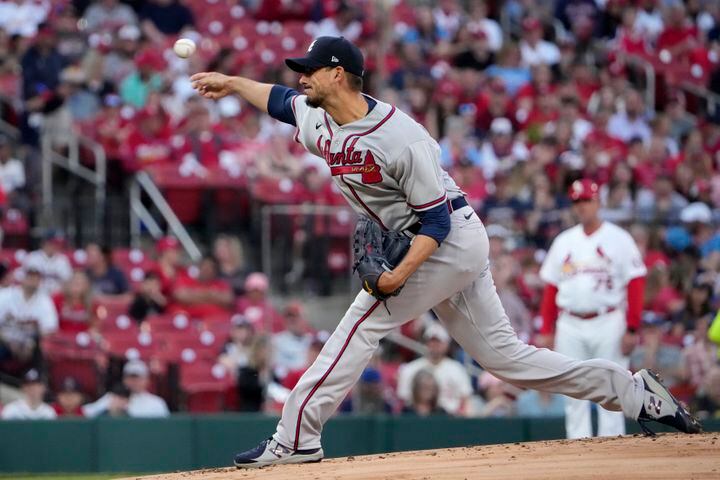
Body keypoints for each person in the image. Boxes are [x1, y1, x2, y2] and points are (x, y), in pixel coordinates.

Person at [190, 36, 700, 469]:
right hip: (432, 238)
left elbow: (434, 221)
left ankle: (296, 438)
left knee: (362, 324)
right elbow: (278, 100)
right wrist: (232, 84)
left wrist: (396, 278)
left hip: (446, 238)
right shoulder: (318, 118)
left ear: (339, 75)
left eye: (310, 71)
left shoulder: (402, 137)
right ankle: (636, 394)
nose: (301, 79)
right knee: (506, 359)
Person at [538, 179, 647, 439]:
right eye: (577, 201)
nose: (582, 206)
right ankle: (579, 448)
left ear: (598, 202)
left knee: (612, 387)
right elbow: (551, 288)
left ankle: (612, 449)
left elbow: (636, 282)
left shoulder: (619, 239)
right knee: (573, 388)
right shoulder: (564, 241)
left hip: (608, 320)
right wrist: (546, 328)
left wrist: (632, 326)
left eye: (586, 200)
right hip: (570, 323)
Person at [396, 323, 473, 416]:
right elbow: (403, 400)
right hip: (417, 418)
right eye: (432, 341)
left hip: (451, 420)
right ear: (426, 343)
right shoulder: (410, 368)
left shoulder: (457, 369)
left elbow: (466, 401)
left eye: (438, 341)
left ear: (447, 344)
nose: (435, 345)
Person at [0, 266, 58, 373]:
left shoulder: (44, 301)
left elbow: (49, 330)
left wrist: (30, 343)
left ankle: (35, 383)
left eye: (36, 278)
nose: (32, 281)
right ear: (22, 278)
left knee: (43, 352)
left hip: (29, 345)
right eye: (29, 277)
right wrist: (9, 343)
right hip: (5, 340)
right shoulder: (5, 294)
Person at [82, 360, 169, 418]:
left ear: (147, 380)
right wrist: (108, 411)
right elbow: (85, 413)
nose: (134, 382)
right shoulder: (112, 398)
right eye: (130, 378)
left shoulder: (156, 402)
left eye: (138, 378)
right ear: (124, 379)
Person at [22, 230, 72, 295]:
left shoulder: (63, 260)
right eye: (52, 243)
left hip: (57, 297)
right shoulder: (33, 257)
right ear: (44, 243)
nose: (55, 246)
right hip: (36, 296)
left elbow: (68, 282)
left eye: (58, 243)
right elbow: (25, 281)